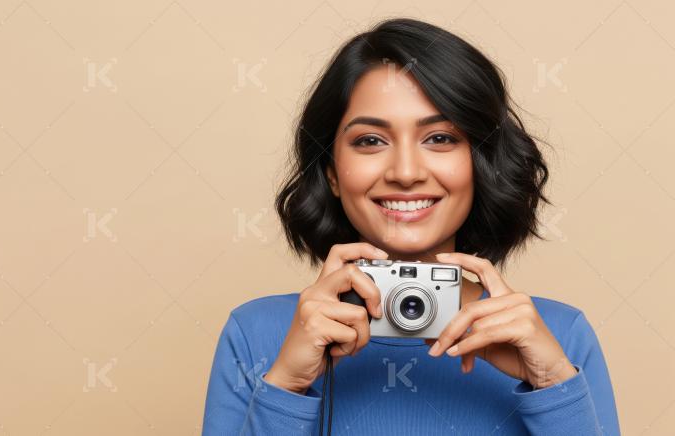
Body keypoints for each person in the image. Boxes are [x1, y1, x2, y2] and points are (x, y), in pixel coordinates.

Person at [202, 17, 619, 435]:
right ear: (331, 170)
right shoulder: (256, 335)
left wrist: (553, 385)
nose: (405, 172)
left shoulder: (560, 337)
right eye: (370, 140)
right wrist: (286, 387)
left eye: (440, 138)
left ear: (480, 162)